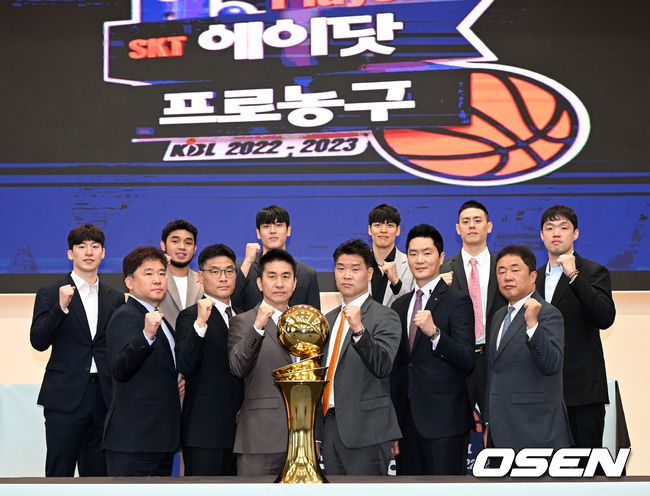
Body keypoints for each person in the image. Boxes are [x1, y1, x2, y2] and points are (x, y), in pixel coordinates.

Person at [30, 224, 124, 477]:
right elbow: (38, 341)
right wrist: (60, 308)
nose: (88, 252)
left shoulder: (115, 297)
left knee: (98, 475)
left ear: (103, 252)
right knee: (59, 472)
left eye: (95, 246)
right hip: (65, 397)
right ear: (70, 253)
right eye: (81, 246)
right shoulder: (51, 292)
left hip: (103, 396)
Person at [390, 224, 475, 475]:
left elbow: (466, 360)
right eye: (413, 253)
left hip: (444, 423)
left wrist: (435, 333)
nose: (420, 260)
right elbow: (398, 369)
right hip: (406, 425)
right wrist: (393, 424)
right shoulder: (400, 305)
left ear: (441, 257)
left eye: (427, 253)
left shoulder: (458, 301)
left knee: (445, 490)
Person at [537, 205, 616, 452]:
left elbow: (605, 317)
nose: (556, 233)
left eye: (563, 227)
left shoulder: (593, 272)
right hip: (540, 393)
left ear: (576, 234)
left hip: (582, 392)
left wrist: (574, 276)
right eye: (549, 228)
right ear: (541, 235)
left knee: (585, 467)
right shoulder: (532, 278)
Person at [320, 239, 401, 475]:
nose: (347, 275)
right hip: (330, 428)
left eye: (355, 269)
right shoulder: (328, 319)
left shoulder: (385, 316)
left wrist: (359, 331)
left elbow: (383, 365)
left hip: (367, 430)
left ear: (369, 273)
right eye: (341, 268)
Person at [103, 246, 182, 476]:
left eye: (161, 273)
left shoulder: (160, 319)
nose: (157, 279)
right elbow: (120, 368)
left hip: (160, 439)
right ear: (129, 282)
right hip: (134, 441)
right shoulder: (125, 316)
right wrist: (146, 335)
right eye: (148, 273)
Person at [485, 244, 572, 451]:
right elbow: (495, 371)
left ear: (533, 276)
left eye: (515, 270)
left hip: (536, 430)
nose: (507, 277)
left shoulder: (548, 314)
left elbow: (551, 364)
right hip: (501, 430)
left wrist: (533, 325)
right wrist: (489, 421)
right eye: (501, 271)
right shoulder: (498, 316)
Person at [175, 244, 244, 476]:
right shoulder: (190, 317)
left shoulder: (244, 316)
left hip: (242, 433)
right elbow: (186, 365)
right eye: (215, 271)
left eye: (229, 271)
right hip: (205, 432)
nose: (223, 278)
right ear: (201, 276)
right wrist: (200, 324)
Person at [228, 249, 297, 476]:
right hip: (259, 438)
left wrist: (316, 437)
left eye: (286, 276)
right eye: (272, 276)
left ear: (295, 283)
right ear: (259, 283)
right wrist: (257, 327)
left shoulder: (308, 322)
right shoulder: (243, 321)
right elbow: (238, 367)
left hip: (302, 440)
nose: (279, 283)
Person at [440, 200, 506, 419]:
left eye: (477, 220)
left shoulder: (503, 268)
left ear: (489, 226)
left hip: (496, 360)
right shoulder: (442, 271)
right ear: (458, 229)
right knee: (455, 427)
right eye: (465, 221)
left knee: (499, 427)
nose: (471, 226)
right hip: (457, 361)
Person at [232, 205, 320, 311]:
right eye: (266, 226)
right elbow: (230, 306)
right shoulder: (244, 269)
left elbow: (314, 318)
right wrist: (247, 262)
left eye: (278, 225)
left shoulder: (307, 274)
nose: (273, 231)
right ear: (258, 233)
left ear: (288, 230)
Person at [367, 204, 414, 307]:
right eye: (378, 225)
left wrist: (396, 282)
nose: (383, 230)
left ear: (398, 230)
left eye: (390, 225)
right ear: (369, 230)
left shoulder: (411, 264)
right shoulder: (359, 264)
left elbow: (415, 305)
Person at [159, 219, 203, 328]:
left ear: (195, 248)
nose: (182, 247)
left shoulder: (203, 281)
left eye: (188, 243)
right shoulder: (155, 280)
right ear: (163, 245)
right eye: (175, 241)